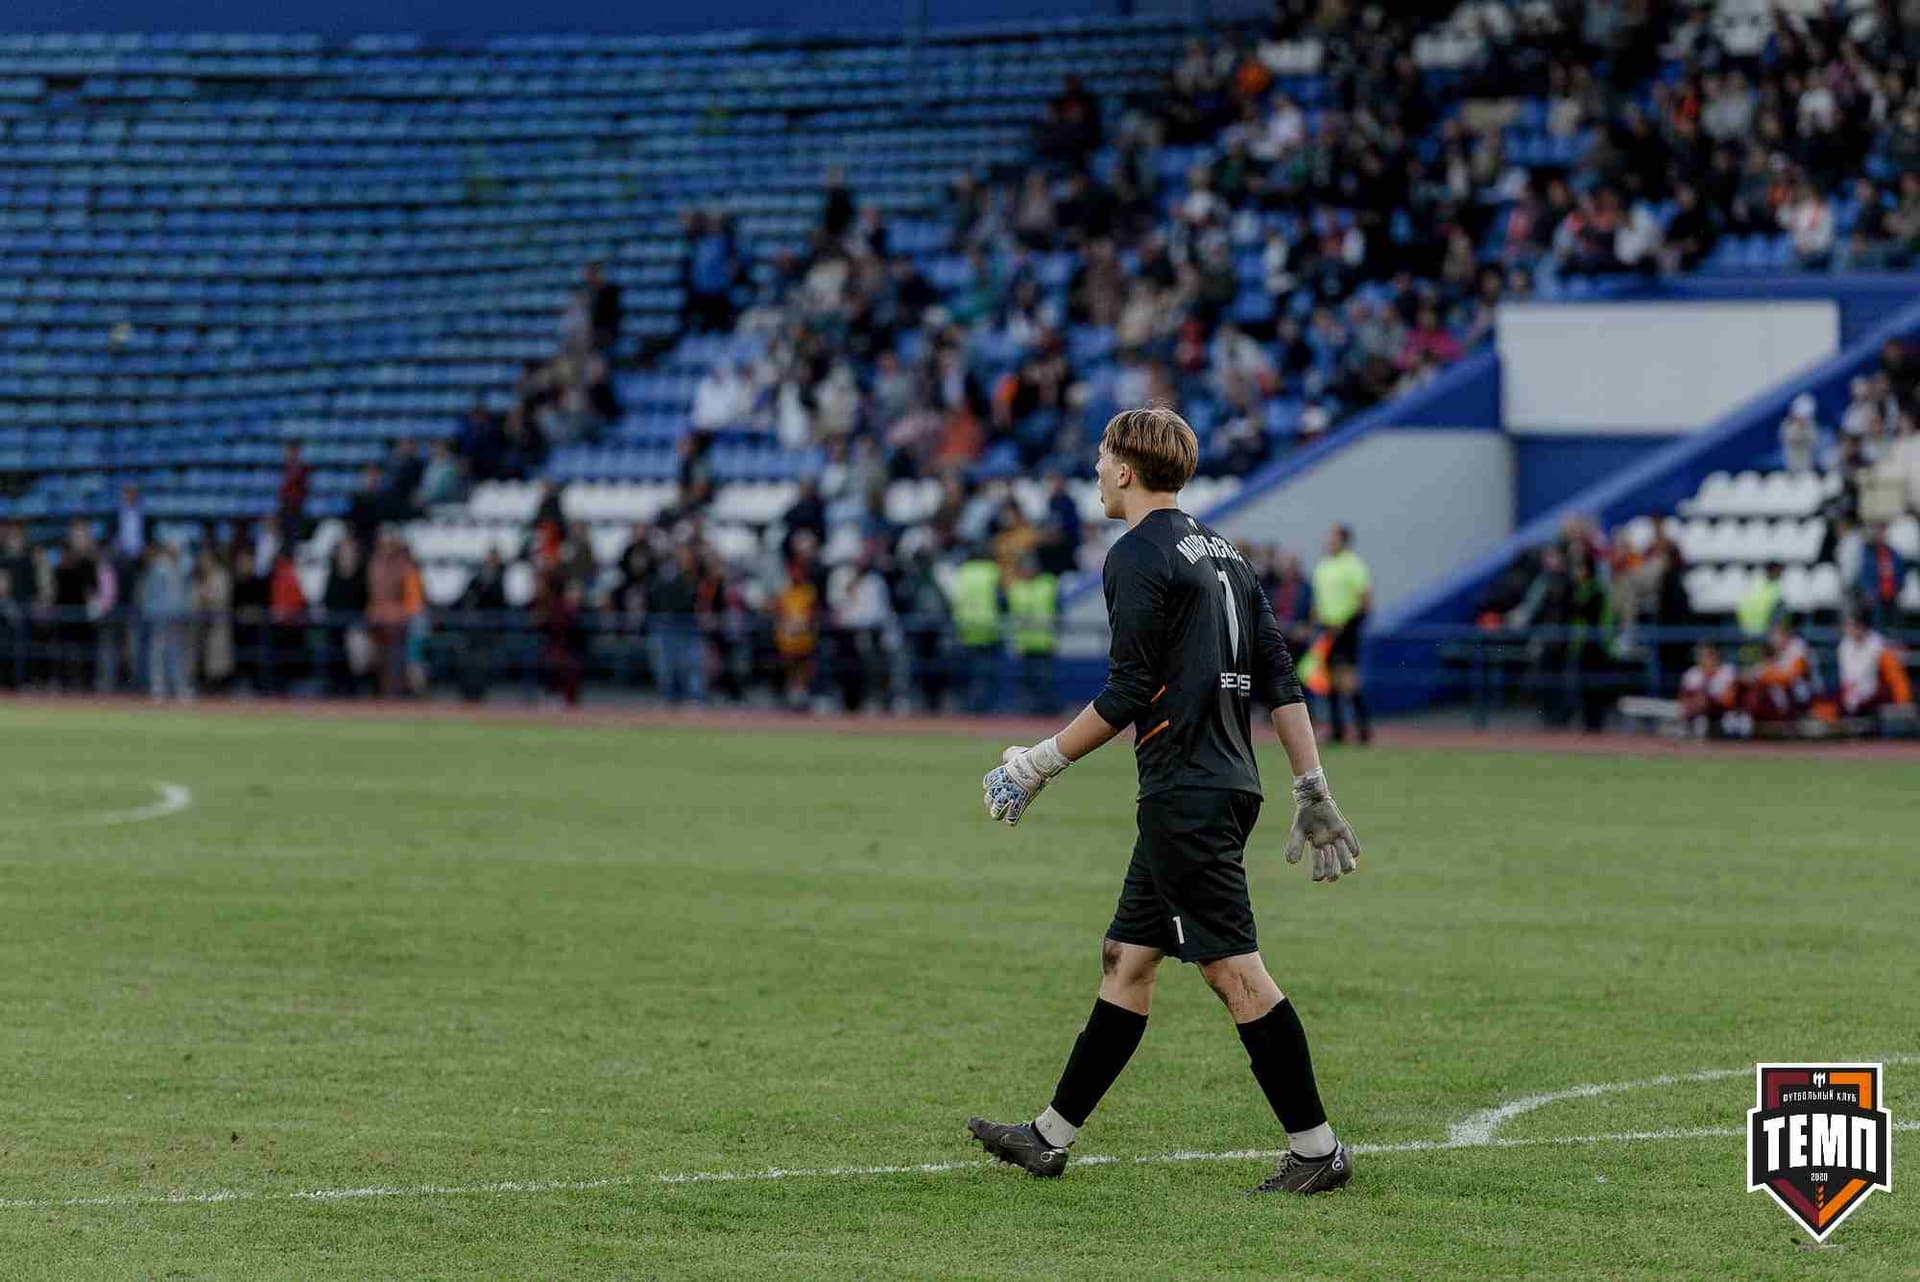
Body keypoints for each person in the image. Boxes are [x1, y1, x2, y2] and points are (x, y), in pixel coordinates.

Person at [968, 406, 1362, 1197]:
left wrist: (1036, 764)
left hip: (1185, 790)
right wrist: (1310, 785)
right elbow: (1281, 678)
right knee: (1127, 960)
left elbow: (1126, 691)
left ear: (1124, 468)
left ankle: (1318, 1148)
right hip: (1220, 783)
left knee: (1234, 973)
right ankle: (1050, 1137)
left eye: (1101, 458)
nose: (1095, 473)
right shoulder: (1228, 556)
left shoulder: (1136, 555)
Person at [1309, 524, 1373, 745]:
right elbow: (1319, 600)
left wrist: (1347, 624)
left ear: (1343, 541)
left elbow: (1365, 599)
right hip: (1326, 628)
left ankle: (1363, 731)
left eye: (1332, 538)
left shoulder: (1353, 565)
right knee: (1330, 680)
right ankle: (1337, 730)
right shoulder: (1323, 566)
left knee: (1348, 680)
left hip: (1346, 628)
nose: (1327, 541)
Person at [1004, 554, 1060, 715]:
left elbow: (1058, 608)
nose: (1028, 570)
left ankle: (1048, 711)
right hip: (1024, 644)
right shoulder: (1015, 587)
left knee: (1045, 680)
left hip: (1044, 643)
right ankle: (1030, 711)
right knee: (1027, 681)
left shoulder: (1047, 584)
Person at [952, 546, 1004, 714]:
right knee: (987, 674)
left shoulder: (963, 572)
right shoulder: (992, 571)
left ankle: (970, 708)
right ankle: (984, 710)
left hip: (966, 629)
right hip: (988, 628)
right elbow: (1001, 599)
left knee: (970, 674)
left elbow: (956, 599)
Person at [139, 542, 192, 701]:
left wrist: (184, 614)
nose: (176, 551)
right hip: (160, 618)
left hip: (176, 618)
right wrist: (151, 615)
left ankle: (179, 688)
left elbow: (183, 595)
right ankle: (158, 689)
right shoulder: (158, 568)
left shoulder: (181, 567)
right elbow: (150, 594)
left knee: (177, 655)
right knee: (158, 654)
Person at [1837, 614, 1913, 717]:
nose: (1849, 630)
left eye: (1852, 626)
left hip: (1875, 695)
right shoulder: (1844, 646)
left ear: (1862, 627)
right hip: (1853, 693)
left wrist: (1903, 702)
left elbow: (1895, 677)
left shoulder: (1879, 646)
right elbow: (1846, 676)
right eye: (1847, 626)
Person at [1677, 641, 1742, 738]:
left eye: (1710, 654)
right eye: (1703, 655)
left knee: (1703, 700)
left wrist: (1709, 701)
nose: (1707, 658)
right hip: (1698, 711)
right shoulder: (1691, 674)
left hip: (1723, 710)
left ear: (1718, 654)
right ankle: (1689, 728)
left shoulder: (1728, 671)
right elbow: (1683, 698)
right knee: (1695, 703)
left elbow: (1731, 698)